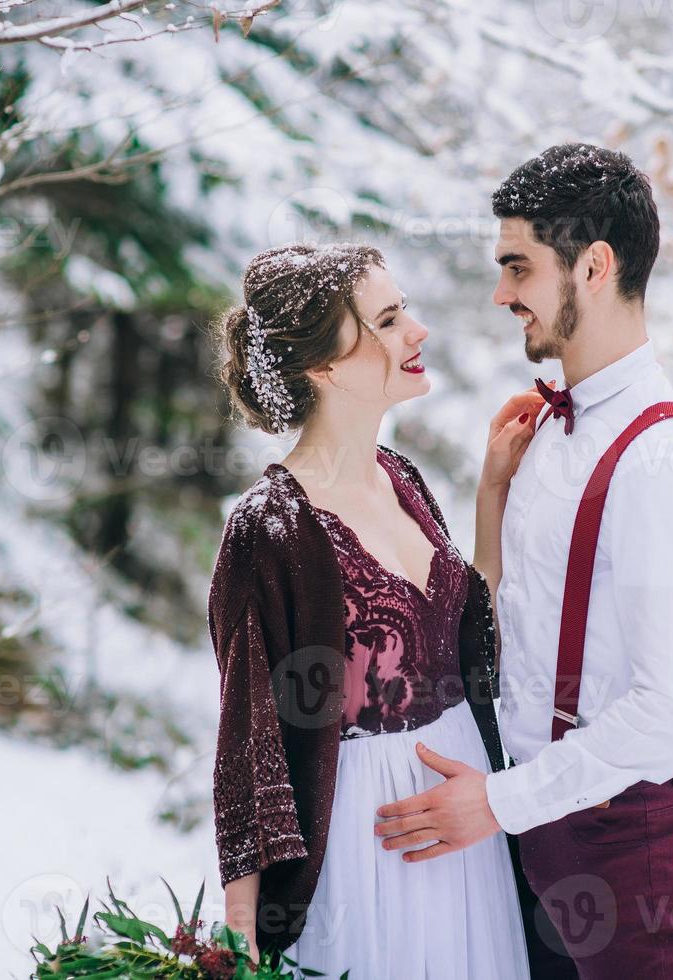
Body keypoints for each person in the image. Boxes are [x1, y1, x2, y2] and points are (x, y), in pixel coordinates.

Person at [373, 144, 673, 979]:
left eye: (519, 267)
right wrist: (493, 496)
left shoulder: (661, 456)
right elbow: (512, 633)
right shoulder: (547, 430)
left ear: (594, 266)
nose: (501, 295)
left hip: (631, 842)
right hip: (542, 827)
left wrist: (498, 804)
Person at [207, 241, 544, 977]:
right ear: (324, 367)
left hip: (466, 829)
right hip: (368, 845)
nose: (417, 331)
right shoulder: (270, 526)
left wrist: (492, 490)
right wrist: (241, 941)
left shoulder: (403, 479)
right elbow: (247, 742)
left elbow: (465, 635)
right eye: (389, 320)